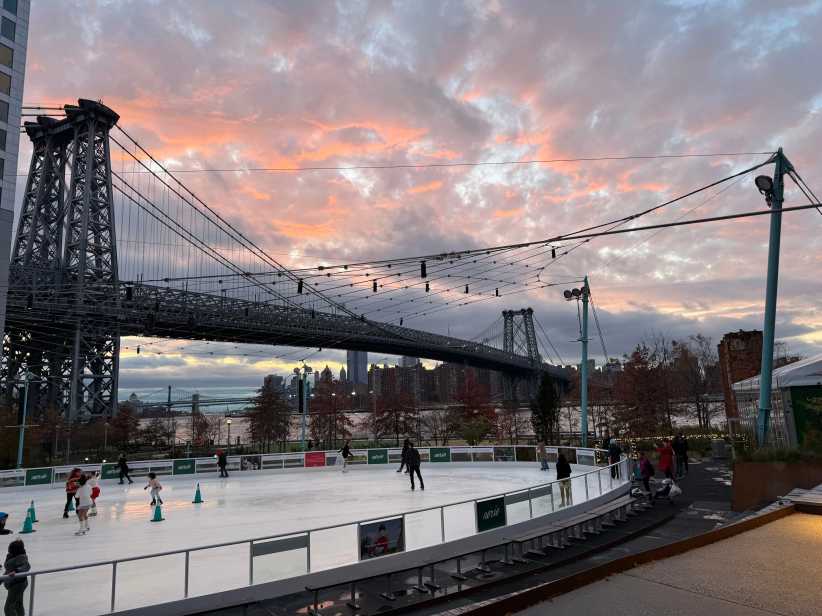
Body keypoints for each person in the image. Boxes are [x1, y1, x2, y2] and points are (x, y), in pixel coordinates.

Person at [3, 539, 30, 616]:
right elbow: (8, 570)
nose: (9, 552)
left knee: (8, 608)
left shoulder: (22, 558)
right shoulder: (11, 556)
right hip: (14, 583)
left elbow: (26, 566)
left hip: (17, 584)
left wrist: (17, 571)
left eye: (10, 550)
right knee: (18, 604)